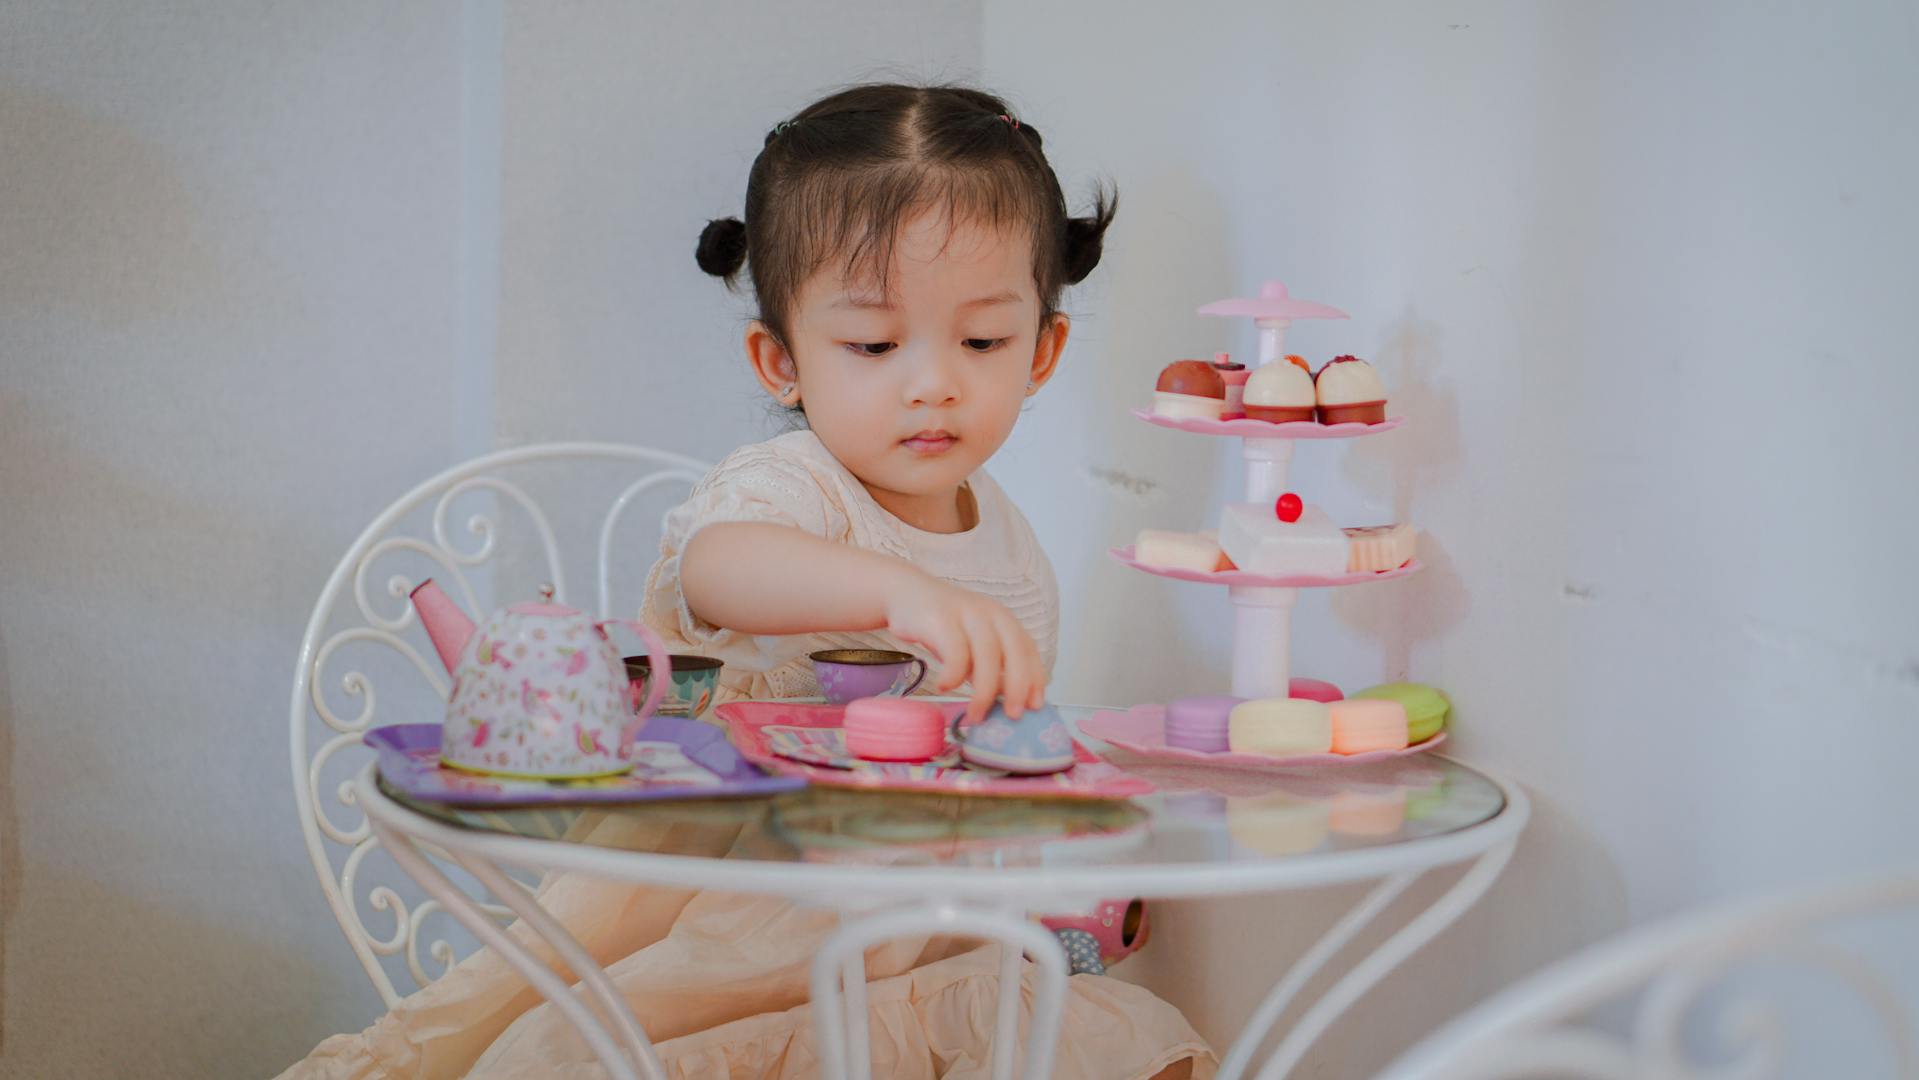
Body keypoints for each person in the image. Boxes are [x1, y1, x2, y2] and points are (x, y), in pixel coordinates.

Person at [282, 82, 1212, 1080]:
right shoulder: (792, 490)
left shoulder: (1014, 547)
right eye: (871, 344)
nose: (931, 381)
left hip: (926, 935)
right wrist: (898, 595)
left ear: (1042, 351)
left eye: (981, 341)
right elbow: (719, 569)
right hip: (744, 922)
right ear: (781, 360)